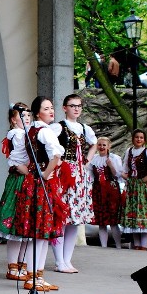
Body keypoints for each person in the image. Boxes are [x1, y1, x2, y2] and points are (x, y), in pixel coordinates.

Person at [13, 96, 68, 292]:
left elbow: (16, 159)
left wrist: (32, 173)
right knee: (41, 231)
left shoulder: (29, 131)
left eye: (52, 108)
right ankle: (34, 277)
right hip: (45, 184)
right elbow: (57, 156)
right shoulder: (45, 132)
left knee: (40, 233)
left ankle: (35, 276)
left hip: (32, 183)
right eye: (47, 108)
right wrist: (45, 174)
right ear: (38, 113)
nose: (51, 111)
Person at [50, 94, 96, 273]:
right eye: (72, 105)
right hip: (64, 175)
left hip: (79, 176)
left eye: (79, 106)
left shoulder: (85, 128)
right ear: (65, 108)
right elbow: (47, 145)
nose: (76, 108)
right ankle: (59, 260)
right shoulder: (58, 127)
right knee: (61, 217)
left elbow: (93, 144)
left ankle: (67, 260)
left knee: (74, 220)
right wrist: (57, 160)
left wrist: (87, 160)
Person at [0, 103, 32, 281]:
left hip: (29, 179)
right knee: (16, 224)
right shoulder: (16, 134)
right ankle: (13, 266)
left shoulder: (30, 134)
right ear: (13, 120)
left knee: (26, 226)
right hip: (20, 180)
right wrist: (28, 171)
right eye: (22, 116)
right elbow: (16, 160)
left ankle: (22, 265)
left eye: (28, 115)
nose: (26, 118)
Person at [89, 136, 123, 248]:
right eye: (100, 145)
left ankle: (118, 245)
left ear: (109, 146)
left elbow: (118, 175)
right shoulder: (94, 159)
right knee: (101, 221)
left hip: (111, 190)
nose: (102, 147)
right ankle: (103, 246)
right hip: (98, 190)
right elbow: (91, 176)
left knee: (113, 220)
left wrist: (111, 165)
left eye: (104, 145)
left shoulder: (114, 158)